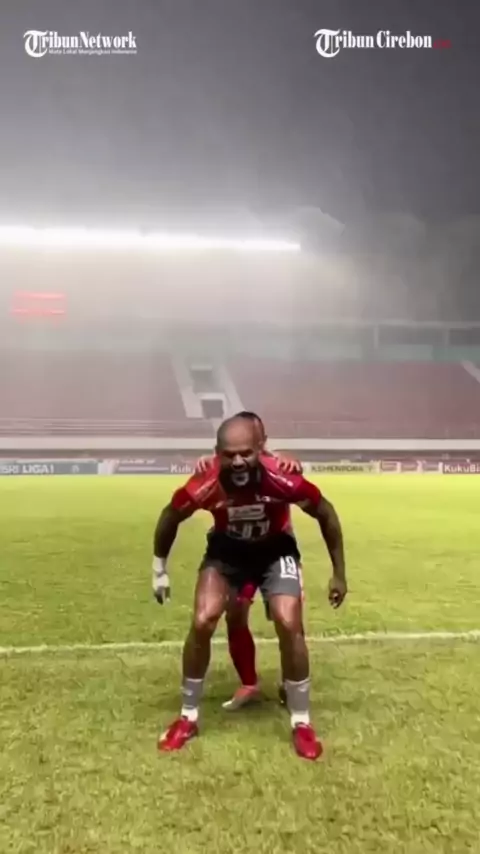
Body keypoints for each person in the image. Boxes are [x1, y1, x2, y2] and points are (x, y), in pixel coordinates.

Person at [152, 415, 347, 761]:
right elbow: (170, 516)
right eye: (230, 455)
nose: (239, 461)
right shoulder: (206, 482)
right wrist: (159, 571)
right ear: (217, 454)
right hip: (227, 553)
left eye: (246, 453)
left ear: (261, 449)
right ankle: (188, 717)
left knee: (288, 621)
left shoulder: (281, 477)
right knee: (203, 620)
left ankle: (301, 722)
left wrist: (339, 574)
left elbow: (326, 512)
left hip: (275, 550)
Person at [195, 411, 303, 710]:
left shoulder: (277, 464)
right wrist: (207, 462)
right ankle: (249, 684)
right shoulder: (228, 465)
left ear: (261, 440)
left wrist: (292, 458)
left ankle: (291, 682)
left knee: (289, 619)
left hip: (275, 551)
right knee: (236, 613)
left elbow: (294, 474)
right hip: (236, 553)